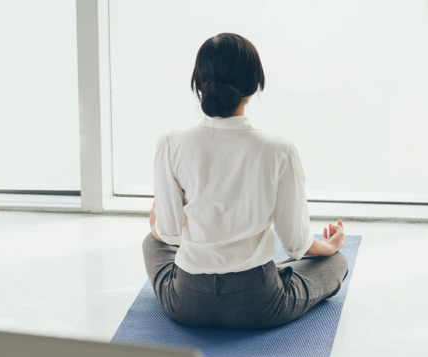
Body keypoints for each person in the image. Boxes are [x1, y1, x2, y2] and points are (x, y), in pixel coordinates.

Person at [143, 33, 349, 329]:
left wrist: (156, 223)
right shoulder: (280, 150)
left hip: (187, 302)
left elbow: (169, 233)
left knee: (151, 245)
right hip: (258, 304)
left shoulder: (170, 144)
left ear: (199, 85)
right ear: (254, 87)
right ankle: (281, 272)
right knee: (337, 264)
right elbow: (295, 244)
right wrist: (329, 248)